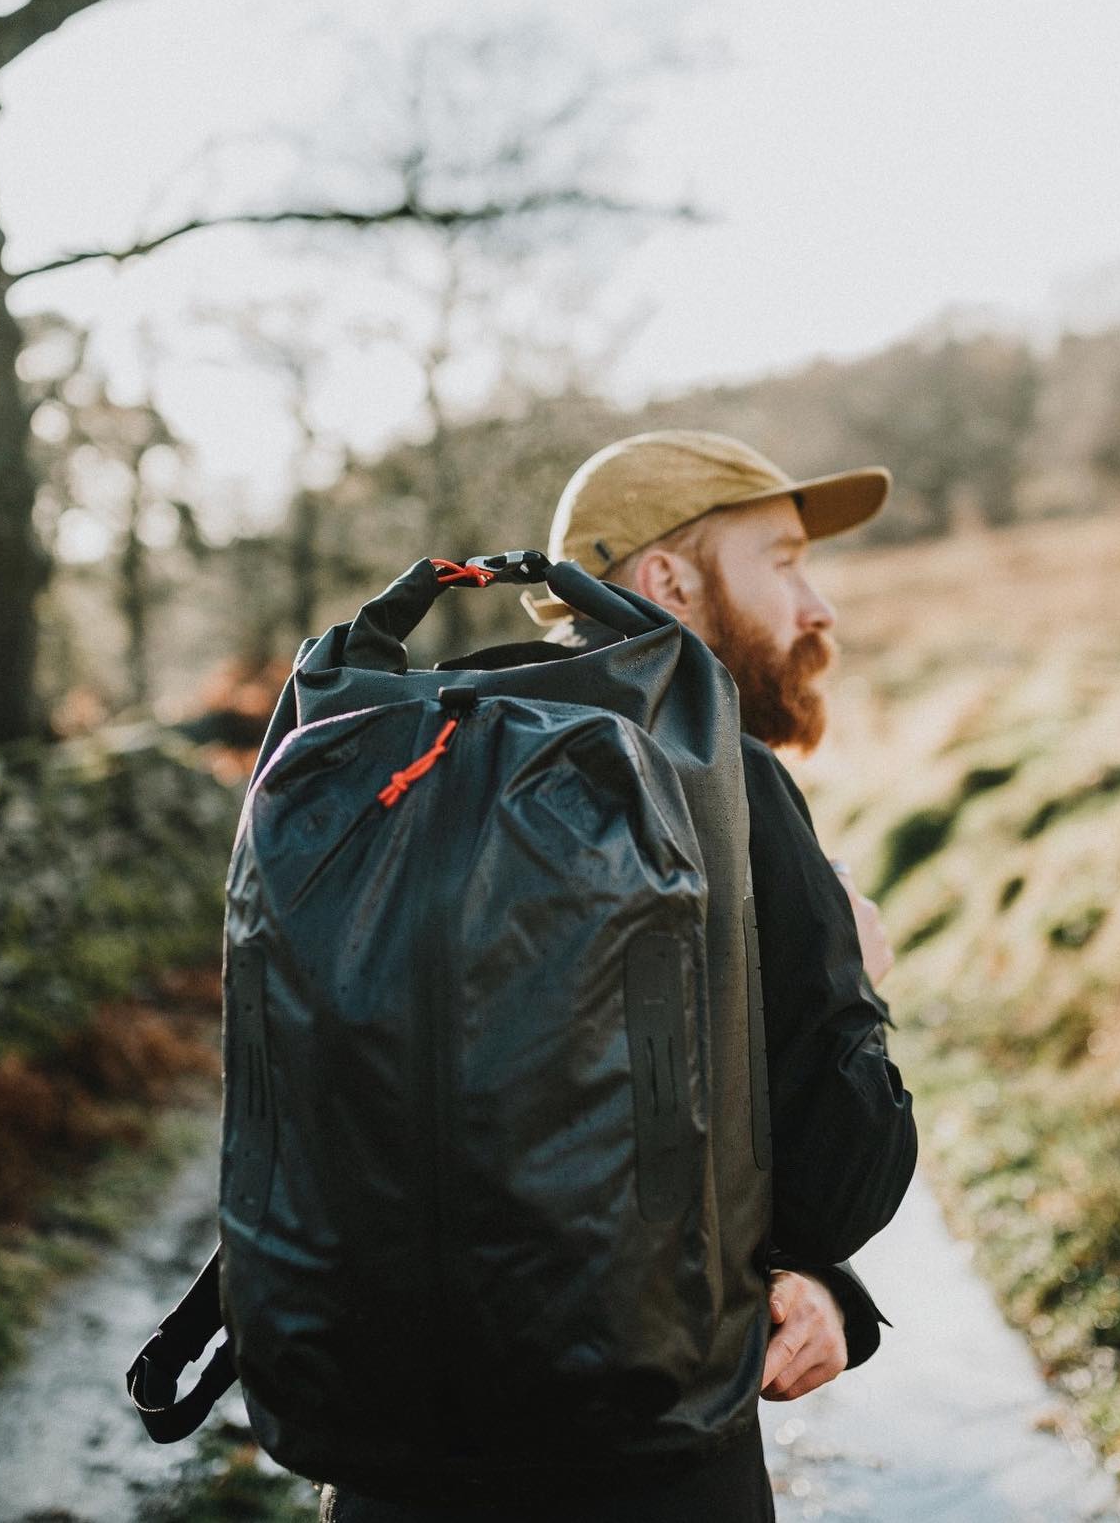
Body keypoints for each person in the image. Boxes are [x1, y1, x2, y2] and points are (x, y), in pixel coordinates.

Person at [318, 430, 916, 1523]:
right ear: (667, 578)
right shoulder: (723, 779)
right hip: (641, 1465)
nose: (816, 604)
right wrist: (858, 978)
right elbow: (840, 1177)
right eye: (781, 559)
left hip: (387, 1454)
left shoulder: (419, 761)